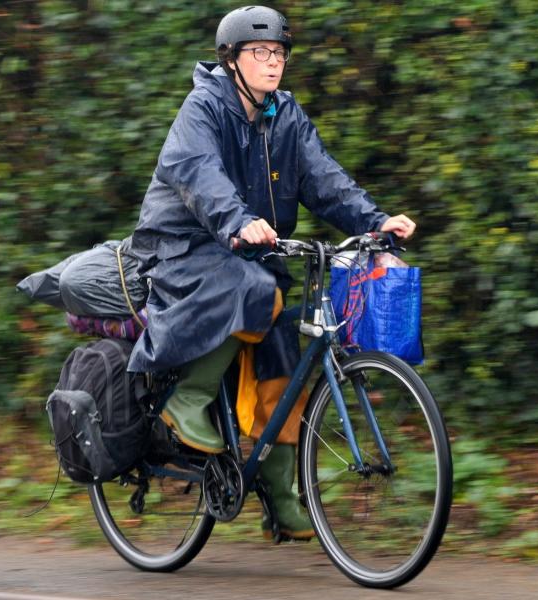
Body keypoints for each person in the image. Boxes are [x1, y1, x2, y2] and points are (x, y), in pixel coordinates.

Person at [127, 5, 416, 540]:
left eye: (279, 52)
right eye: (260, 52)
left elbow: (324, 178)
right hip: (181, 249)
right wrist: (238, 220)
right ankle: (185, 401)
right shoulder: (204, 107)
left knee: (288, 343)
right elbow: (196, 172)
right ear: (231, 59)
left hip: (250, 253)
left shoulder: (285, 115)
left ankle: (282, 498)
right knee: (257, 288)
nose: (273, 61)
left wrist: (377, 222)